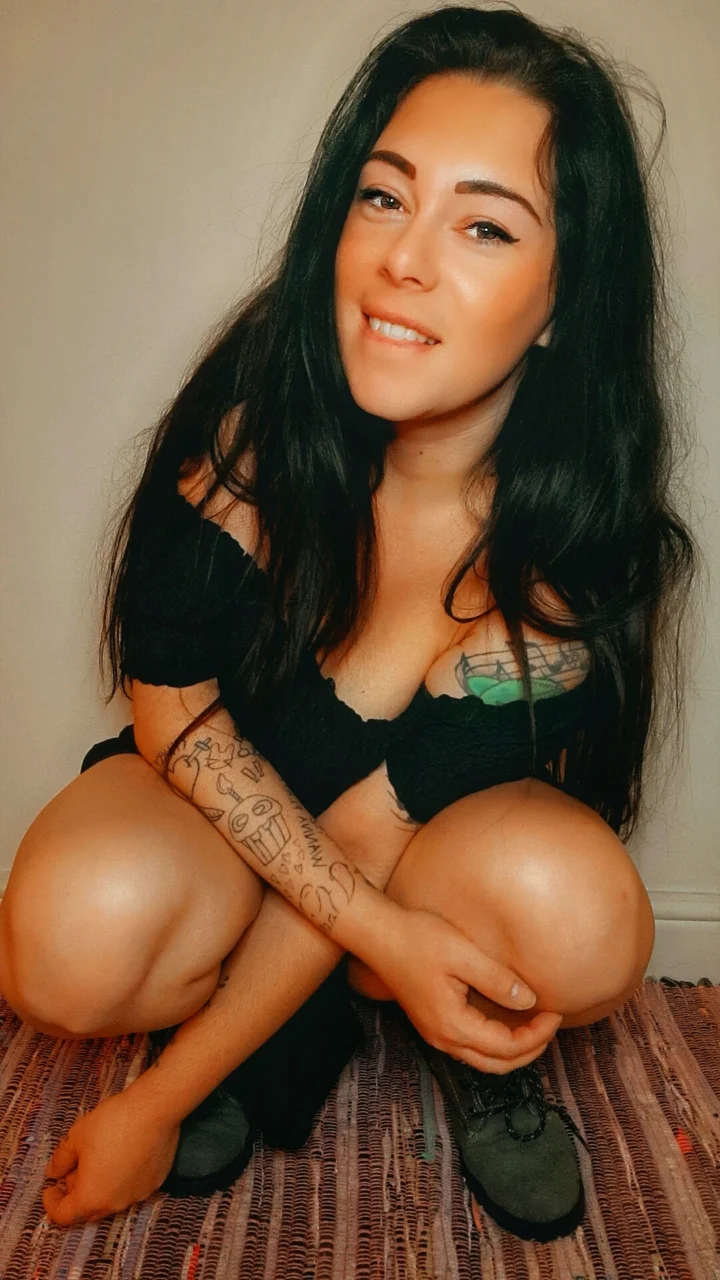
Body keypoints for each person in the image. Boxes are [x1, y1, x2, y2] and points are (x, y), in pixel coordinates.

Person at [0, 2, 696, 1246]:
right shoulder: (249, 430)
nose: (403, 261)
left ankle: (454, 1033)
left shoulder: (564, 560)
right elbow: (175, 716)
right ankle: (270, 991)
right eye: (384, 197)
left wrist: (159, 1101)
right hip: (225, 815)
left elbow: (366, 838)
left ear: (560, 302)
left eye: (484, 224)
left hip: (412, 846)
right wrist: (171, 1093)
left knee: (584, 921)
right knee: (64, 940)